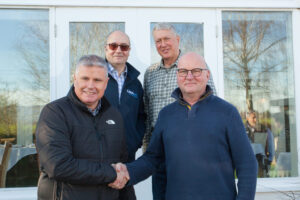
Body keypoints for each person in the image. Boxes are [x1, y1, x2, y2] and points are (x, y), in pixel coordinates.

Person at [111, 52, 258, 200]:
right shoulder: (166, 115)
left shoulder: (227, 113)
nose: (189, 76)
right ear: (177, 76)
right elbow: (153, 159)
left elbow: (247, 164)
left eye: (196, 71)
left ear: (207, 75)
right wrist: (127, 171)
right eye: (183, 71)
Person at [35, 55, 133, 200]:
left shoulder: (115, 117)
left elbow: (122, 166)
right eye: (85, 79)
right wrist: (110, 173)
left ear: (106, 83)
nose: (91, 86)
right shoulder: (55, 112)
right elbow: (58, 165)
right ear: (75, 79)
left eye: (97, 80)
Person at [143, 22, 217, 200]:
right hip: (159, 148)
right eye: (158, 40)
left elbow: (210, 104)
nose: (163, 44)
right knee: (161, 194)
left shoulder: (195, 66)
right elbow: (147, 113)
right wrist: (148, 150)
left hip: (190, 146)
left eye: (166, 39)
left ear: (177, 39)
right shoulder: (150, 73)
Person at [104, 30, 146, 199]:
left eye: (124, 46)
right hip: (97, 160)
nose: (118, 50)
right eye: (113, 46)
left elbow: (141, 117)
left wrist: (134, 142)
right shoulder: (94, 77)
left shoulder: (135, 84)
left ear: (129, 50)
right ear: (106, 49)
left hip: (126, 160)